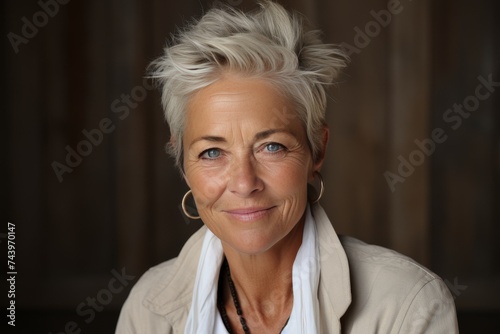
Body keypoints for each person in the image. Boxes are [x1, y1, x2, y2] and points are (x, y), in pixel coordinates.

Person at [116, 1, 458, 333]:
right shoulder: (147, 310)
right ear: (182, 163)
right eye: (212, 152)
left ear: (317, 150)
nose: (244, 182)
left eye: (271, 146)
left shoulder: (407, 306)